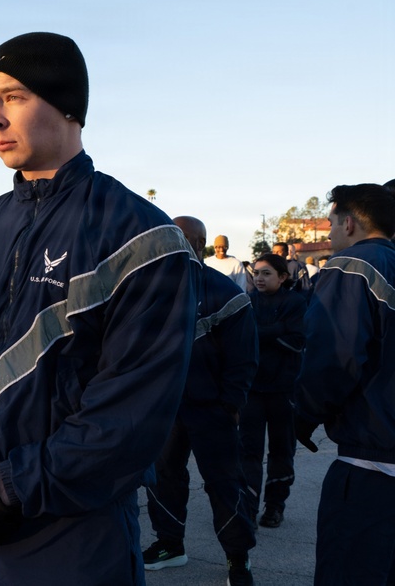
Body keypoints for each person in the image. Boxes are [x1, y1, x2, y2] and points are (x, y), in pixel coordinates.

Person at [0, 32, 198, 585]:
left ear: (68, 104)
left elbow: (130, 413)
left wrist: (7, 488)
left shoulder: (141, 237)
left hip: (72, 533)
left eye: (13, 97)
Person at [143, 216, 258, 586]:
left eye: (181, 237)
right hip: (166, 409)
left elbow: (243, 358)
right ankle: (170, 544)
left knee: (224, 483)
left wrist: (231, 405)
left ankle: (237, 559)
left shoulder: (226, 293)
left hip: (213, 410)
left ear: (200, 243)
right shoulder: (151, 289)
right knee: (164, 478)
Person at [294, 183, 395, 585]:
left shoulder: (351, 265)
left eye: (332, 223)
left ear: (349, 223)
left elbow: (333, 357)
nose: (331, 234)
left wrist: (303, 414)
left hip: (370, 467)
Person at [240, 253, 306, 529]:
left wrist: (263, 333)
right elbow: (242, 338)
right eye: (256, 272)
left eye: (266, 273)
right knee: (248, 452)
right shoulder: (248, 302)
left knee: (281, 451)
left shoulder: (296, 302)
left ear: (283, 277)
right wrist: (276, 330)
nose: (259, 277)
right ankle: (248, 507)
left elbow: (297, 340)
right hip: (252, 391)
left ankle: (275, 507)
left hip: (284, 391)